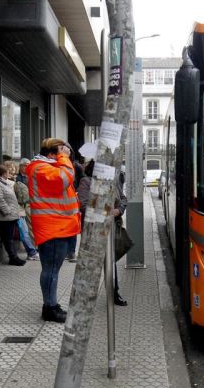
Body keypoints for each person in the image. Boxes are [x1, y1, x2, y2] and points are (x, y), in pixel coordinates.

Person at [27, 138, 81, 323]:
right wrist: (64, 158)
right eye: (61, 152)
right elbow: (63, 180)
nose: (65, 156)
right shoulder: (41, 167)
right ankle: (50, 308)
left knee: (52, 270)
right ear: (51, 154)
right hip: (53, 227)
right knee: (51, 270)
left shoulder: (45, 166)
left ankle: (51, 304)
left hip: (58, 226)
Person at [77, 160, 128, 306]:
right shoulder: (86, 182)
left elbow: (123, 198)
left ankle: (114, 294)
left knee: (111, 262)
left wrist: (119, 210)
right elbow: (84, 206)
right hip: (94, 230)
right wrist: (106, 212)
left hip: (112, 228)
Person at [0, 164, 27, 266]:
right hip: (5, 217)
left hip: (10, 216)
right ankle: (13, 258)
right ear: (3, 173)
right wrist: (8, 211)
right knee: (8, 239)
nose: (9, 174)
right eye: (7, 172)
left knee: (10, 238)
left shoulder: (4, 183)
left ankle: (14, 257)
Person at [7, 161, 39, 260]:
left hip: (20, 208)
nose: (13, 170)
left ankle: (32, 250)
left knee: (26, 230)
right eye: (10, 168)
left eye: (13, 168)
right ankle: (31, 252)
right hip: (16, 210)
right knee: (24, 231)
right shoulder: (9, 182)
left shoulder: (16, 180)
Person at [64, 145, 83, 262]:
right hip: (61, 201)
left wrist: (77, 191)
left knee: (73, 227)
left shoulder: (76, 166)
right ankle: (67, 251)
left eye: (68, 150)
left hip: (73, 199)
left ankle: (71, 252)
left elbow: (83, 180)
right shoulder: (58, 165)